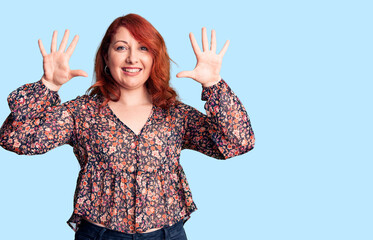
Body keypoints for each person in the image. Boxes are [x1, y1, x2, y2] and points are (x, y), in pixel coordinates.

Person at [0, 13, 255, 240]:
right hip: (100, 234)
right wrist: (49, 85)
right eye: (121, 47)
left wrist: (213, 85)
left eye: (143, 48)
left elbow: (238, 142)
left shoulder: (176, 115)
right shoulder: (81, 113)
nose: (132, 57)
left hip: (167, 234)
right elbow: (15, 139)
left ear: (155, 57)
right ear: (106, 56)